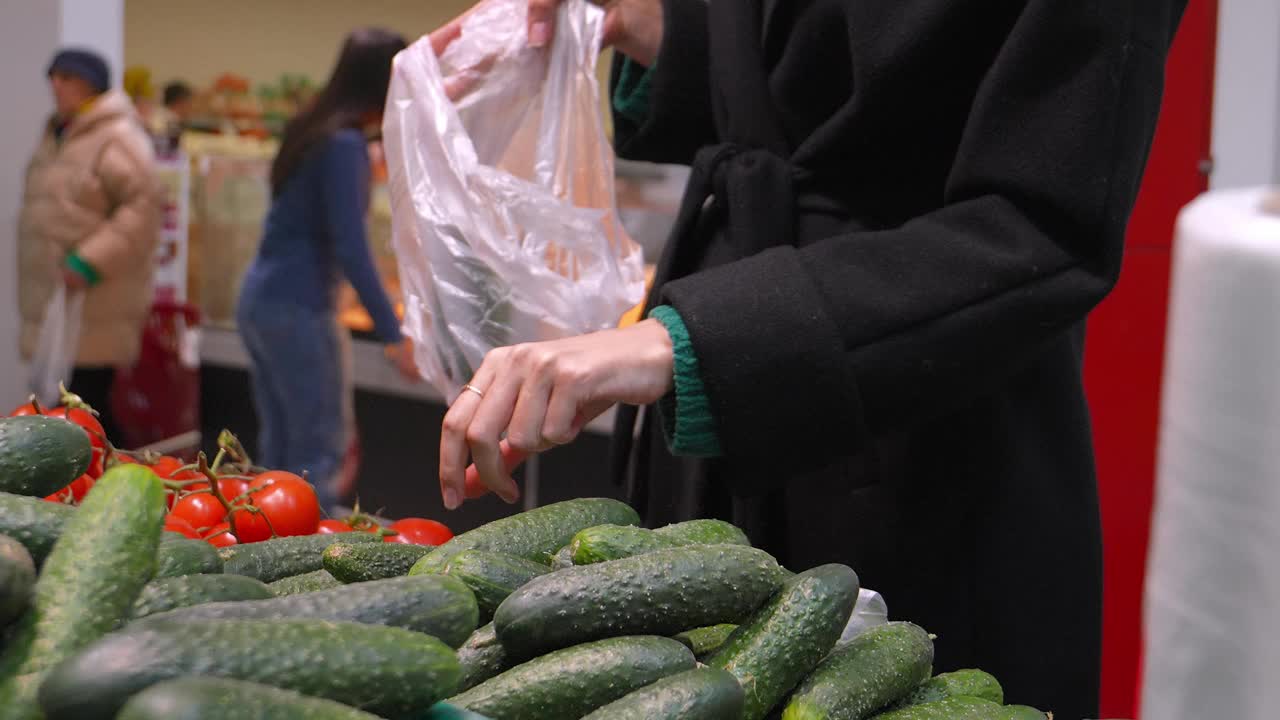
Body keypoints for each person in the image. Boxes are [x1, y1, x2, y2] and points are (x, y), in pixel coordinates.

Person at [433, 1, 1190, 717]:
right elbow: (814, 81)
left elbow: (1041, 230)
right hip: (731, 389)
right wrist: (655, 25)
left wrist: (698, 339)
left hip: (924, 446)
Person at [237, 28, 417, 514]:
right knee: (318, 454)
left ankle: (261, 562)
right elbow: (352, 247)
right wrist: (394, 334)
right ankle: (307, 575)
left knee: (277, 455)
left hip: (260, 302)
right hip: (300, 307)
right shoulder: (343, 144)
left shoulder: (312, 128)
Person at [17, 48, 160, 440]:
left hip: (95, 302)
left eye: (65, 78)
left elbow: (143, 208)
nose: (55, 86)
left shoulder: (116, 138)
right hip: (58, 302)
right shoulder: (58, 134)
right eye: (53, 77)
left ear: (89, 84)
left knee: (87, 410)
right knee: (64, 413)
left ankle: (114, 484)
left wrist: (89, 260)